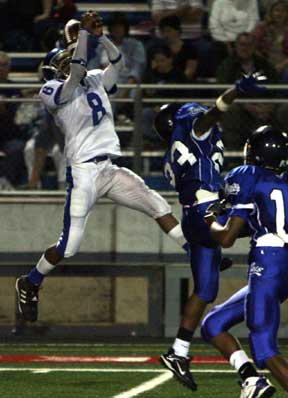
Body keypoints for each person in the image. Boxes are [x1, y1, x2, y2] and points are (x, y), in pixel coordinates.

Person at [15, 11, 190, 323]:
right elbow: (76, 73)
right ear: (54, 69)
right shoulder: (51, 91)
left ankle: (198, 255)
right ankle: (31, 281)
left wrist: (101, 35)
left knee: (158, 204)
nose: (71, 63)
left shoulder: (94, 79)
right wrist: (83, 36)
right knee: (68, 247)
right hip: (83, 173)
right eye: (65, 62)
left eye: (71, 59)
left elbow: (118, 61)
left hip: (110, 168)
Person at [153, 71, 266, 390]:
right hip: (205, 212)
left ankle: (178, 351)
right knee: (260, 219)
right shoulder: (192, 129)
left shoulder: (175, 150)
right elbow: (215, 112)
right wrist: (236, 91)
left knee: (205, 291)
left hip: (196, 215)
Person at [202, 125, 288, 398]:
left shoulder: (247, 176)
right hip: (282, 263)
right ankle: (251, 379)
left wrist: (212, 220)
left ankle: (257, 376)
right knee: (213, 324)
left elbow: (225, 237)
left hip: (269, 261)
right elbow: (261, 221)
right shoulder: (281, 182)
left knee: (264, 347)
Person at [0, 51, 26, 188]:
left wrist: (5, 109)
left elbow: (18, 116)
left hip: (9, 135)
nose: (1, 68)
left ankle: (5, 181)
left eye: (4, 65)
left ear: (9, 68)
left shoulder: (14, 89)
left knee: (17, 148)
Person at [209, 0, 259, 69]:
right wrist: (226, 42)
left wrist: (242, 39)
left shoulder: (251, 1)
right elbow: (214, 26)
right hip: (223, 41)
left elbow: (253, 21)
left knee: (248, 47)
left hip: (245, 39)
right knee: (216, 49)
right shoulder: (218, 3)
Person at [253, 1, 288, 82]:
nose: (279, 14)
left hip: (285, 63)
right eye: (276, 10)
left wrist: (282, 65)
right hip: (265, 61)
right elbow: (253, 46)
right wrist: (265, 63)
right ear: (271, 12)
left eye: (283, 11)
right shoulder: (262, 27)